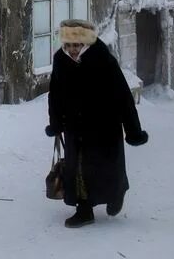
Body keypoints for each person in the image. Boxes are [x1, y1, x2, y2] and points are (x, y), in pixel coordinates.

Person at [45, 19, 148, 228]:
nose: (72, 50)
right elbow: (55, 95)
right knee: (78, 169)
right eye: (69, 45)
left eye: (77, 45)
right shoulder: (60, 60)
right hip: (75, 126)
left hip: (105, 125)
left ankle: (116, 195)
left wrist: (133, 131)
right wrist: (56, 123)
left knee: (106, 167)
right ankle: (84, 211)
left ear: (86, 43)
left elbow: (123, 96)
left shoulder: (103, 59)